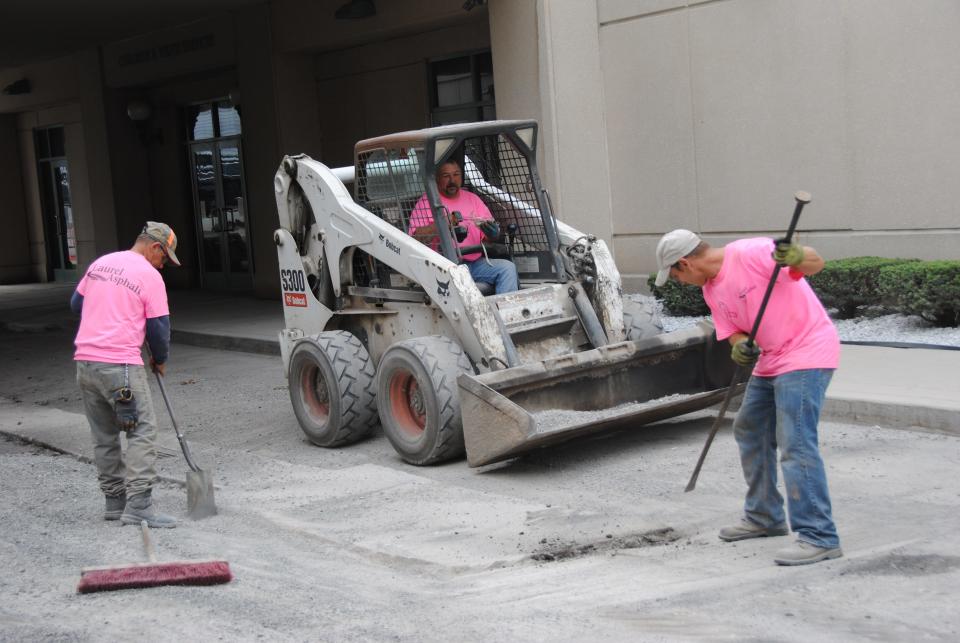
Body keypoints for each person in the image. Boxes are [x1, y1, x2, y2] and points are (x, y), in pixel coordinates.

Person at [654, 229, 842, 566]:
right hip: (771, 359)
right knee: (749, 428)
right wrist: (740, 344)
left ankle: (819, 535)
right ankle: (765, 516)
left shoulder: (752, 253)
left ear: (684, 262)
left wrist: (797, 257)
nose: (680, 282)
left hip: (806, 352)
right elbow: (734, 331)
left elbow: (815, 262)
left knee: (796, 442)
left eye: (677, 275)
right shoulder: (711, 289)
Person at [71, 222, 181, 529]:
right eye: (165, 257)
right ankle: (139, 506)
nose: (164, 264)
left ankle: (114, 502)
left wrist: (107, 316)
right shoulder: (150, 276)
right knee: (142, 431)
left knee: (104, 435)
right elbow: (159, 328)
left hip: (86, 363)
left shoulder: (100, 264)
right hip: (120, 365)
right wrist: (159, 360)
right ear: (155, 247)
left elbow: (76, 304)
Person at [409, 159, 519, 294]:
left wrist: (492, 234)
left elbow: (487, 240)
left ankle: (505, 313)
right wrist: (442, 224)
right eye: (446, 176)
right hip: (443, 267)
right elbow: (415, 239)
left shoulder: (473, 199)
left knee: (507, 268)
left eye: (456, 175)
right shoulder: (426, 202)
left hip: (474, 264)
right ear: (437, 179)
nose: (452, 180)